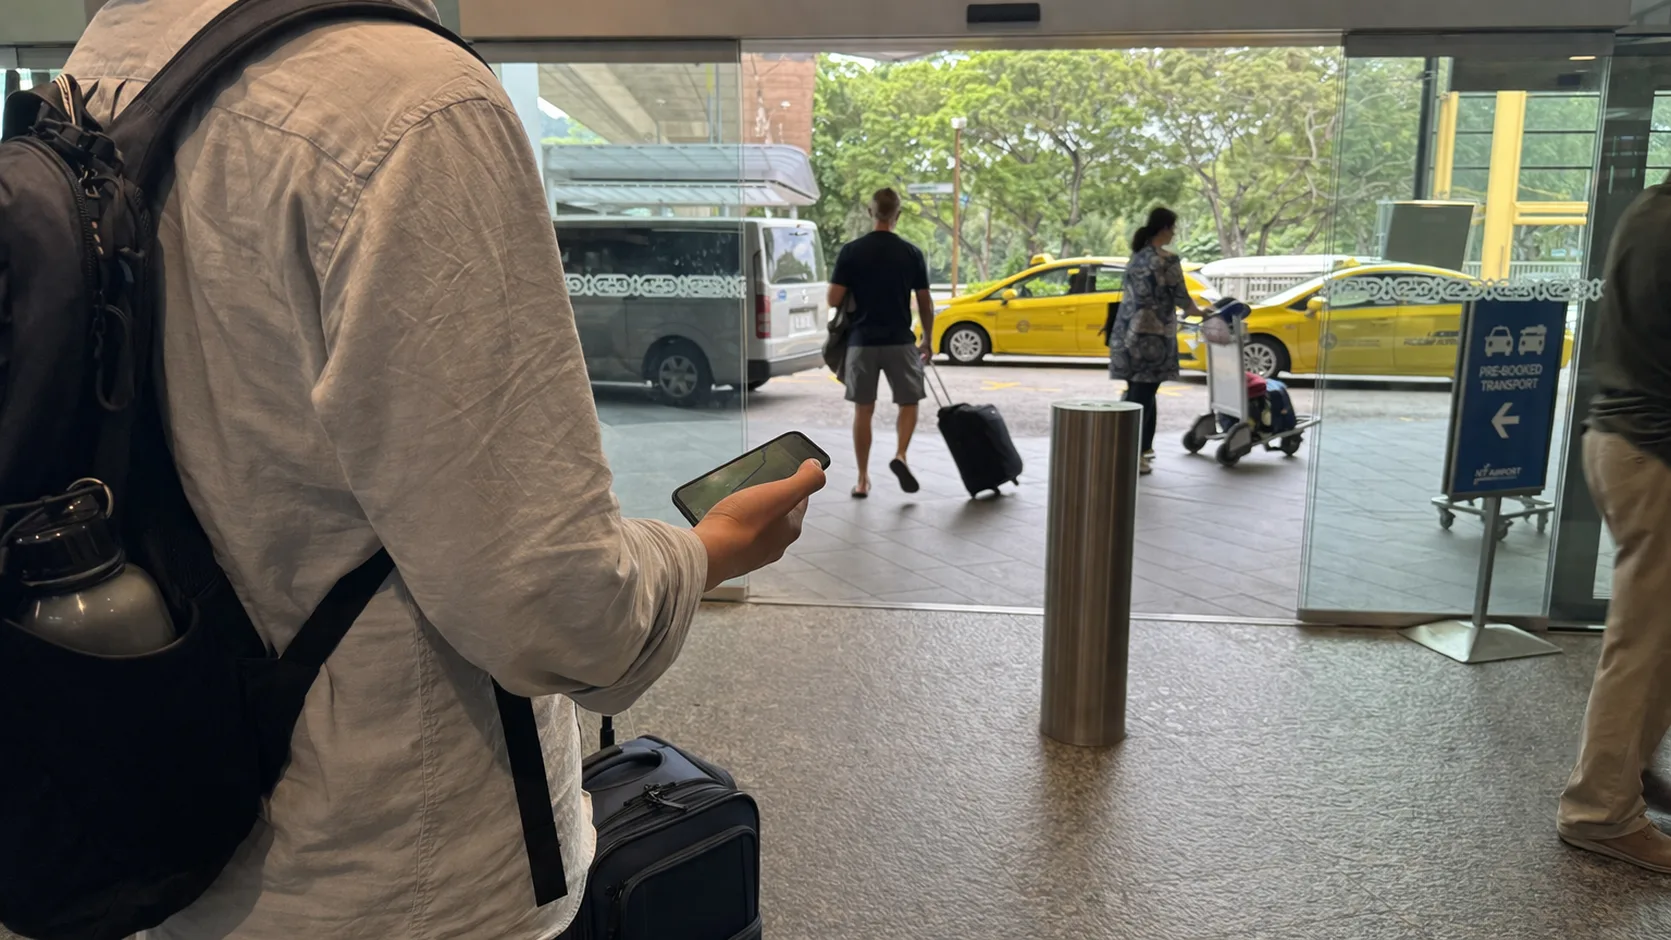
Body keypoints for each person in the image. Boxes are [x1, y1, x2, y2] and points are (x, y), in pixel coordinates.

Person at [63, 2, 825, 938]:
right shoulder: (409, 105)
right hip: (390, 860)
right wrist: (705, 553)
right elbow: (545, 600)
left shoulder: (106, 70)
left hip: (152, 808)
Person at [1556, 179, 1671, 874]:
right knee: (1641, 641)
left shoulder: (1649, 208)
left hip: (1620, 439)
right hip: (1653, 452)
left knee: (1659, 634)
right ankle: (1598, 811)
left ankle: (1626, 771)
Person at [827, 188, 936, 498]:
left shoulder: (851, 251)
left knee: (864, 410)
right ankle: (900, 454)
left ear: (870, 212)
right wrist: (927, 339)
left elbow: (834, 298)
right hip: (901, 341)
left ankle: (862, 479)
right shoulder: (911, 253)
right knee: (909, 401)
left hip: (862, 342)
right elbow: (926, 303)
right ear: (897, 215)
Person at [1106, 207, 1202, 475]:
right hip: (1153, 338)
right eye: (1173, 228)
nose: (1174, 233)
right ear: (1164, 228)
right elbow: (1183, 299)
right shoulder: (1166, 260)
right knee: (1143, 396)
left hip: (1126, 334)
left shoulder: (1136, 257)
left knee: (1140, 392)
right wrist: (1205, 312)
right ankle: (1131, 452)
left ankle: (1143, 447)